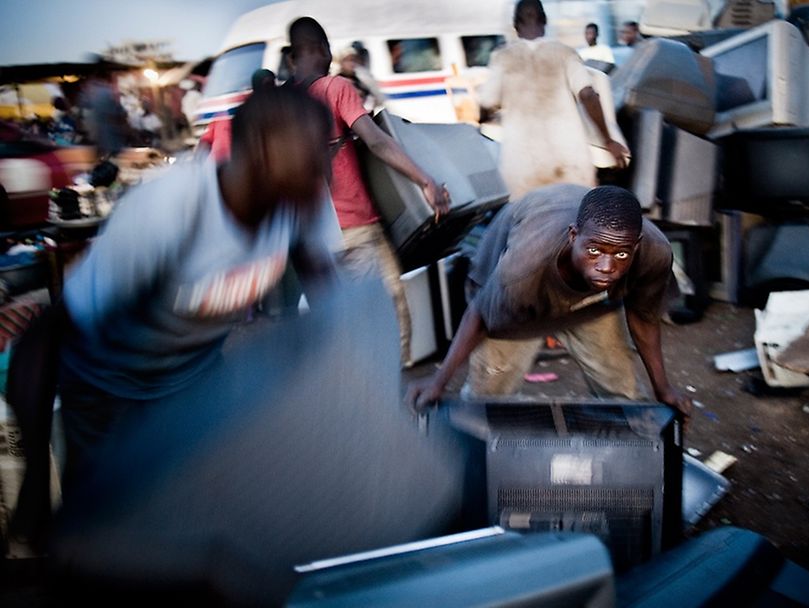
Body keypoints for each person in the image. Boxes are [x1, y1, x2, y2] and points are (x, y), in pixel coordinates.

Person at [57, 85, 343, 483]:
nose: (324, 170)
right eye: (313, 153)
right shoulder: (175, 207)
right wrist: (36, 476)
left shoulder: (293, 207)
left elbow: (331, 302)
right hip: (109, 400)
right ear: (263, 148)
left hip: (191, 386)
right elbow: (46, 340)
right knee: (116, 524)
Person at [406, 184, 693, 424]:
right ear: (573, 236)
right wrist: (439, 381)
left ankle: (634, 453)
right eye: (594, 250)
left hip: (591, 304)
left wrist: (663, 388)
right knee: (488, 399)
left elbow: (644, 318)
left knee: (623, 392)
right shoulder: (522, 271)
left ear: (637, 244)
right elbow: (480, 315)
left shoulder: (653, 253)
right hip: (518, 302)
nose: (606, 266)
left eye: (620, 255)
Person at [287, 16, 450, 367]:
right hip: (356, 228)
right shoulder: (335, 88)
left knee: (334, 326)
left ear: (291, 57)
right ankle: (392, 397)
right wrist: (426, 181)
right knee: (391, 316)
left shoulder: (278, 101)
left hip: (307, 236)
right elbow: (377, 141)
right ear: (323, 49)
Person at [478, 0, 628, 200]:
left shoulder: (502, 58)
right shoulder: (564, 53)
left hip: (523, 168)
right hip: (568, 163)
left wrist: (484, 117)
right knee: (577, 223)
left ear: (515, 25)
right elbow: (588, 95)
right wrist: (609, 141)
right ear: (545, 21)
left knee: (529, 225)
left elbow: (486, 103)